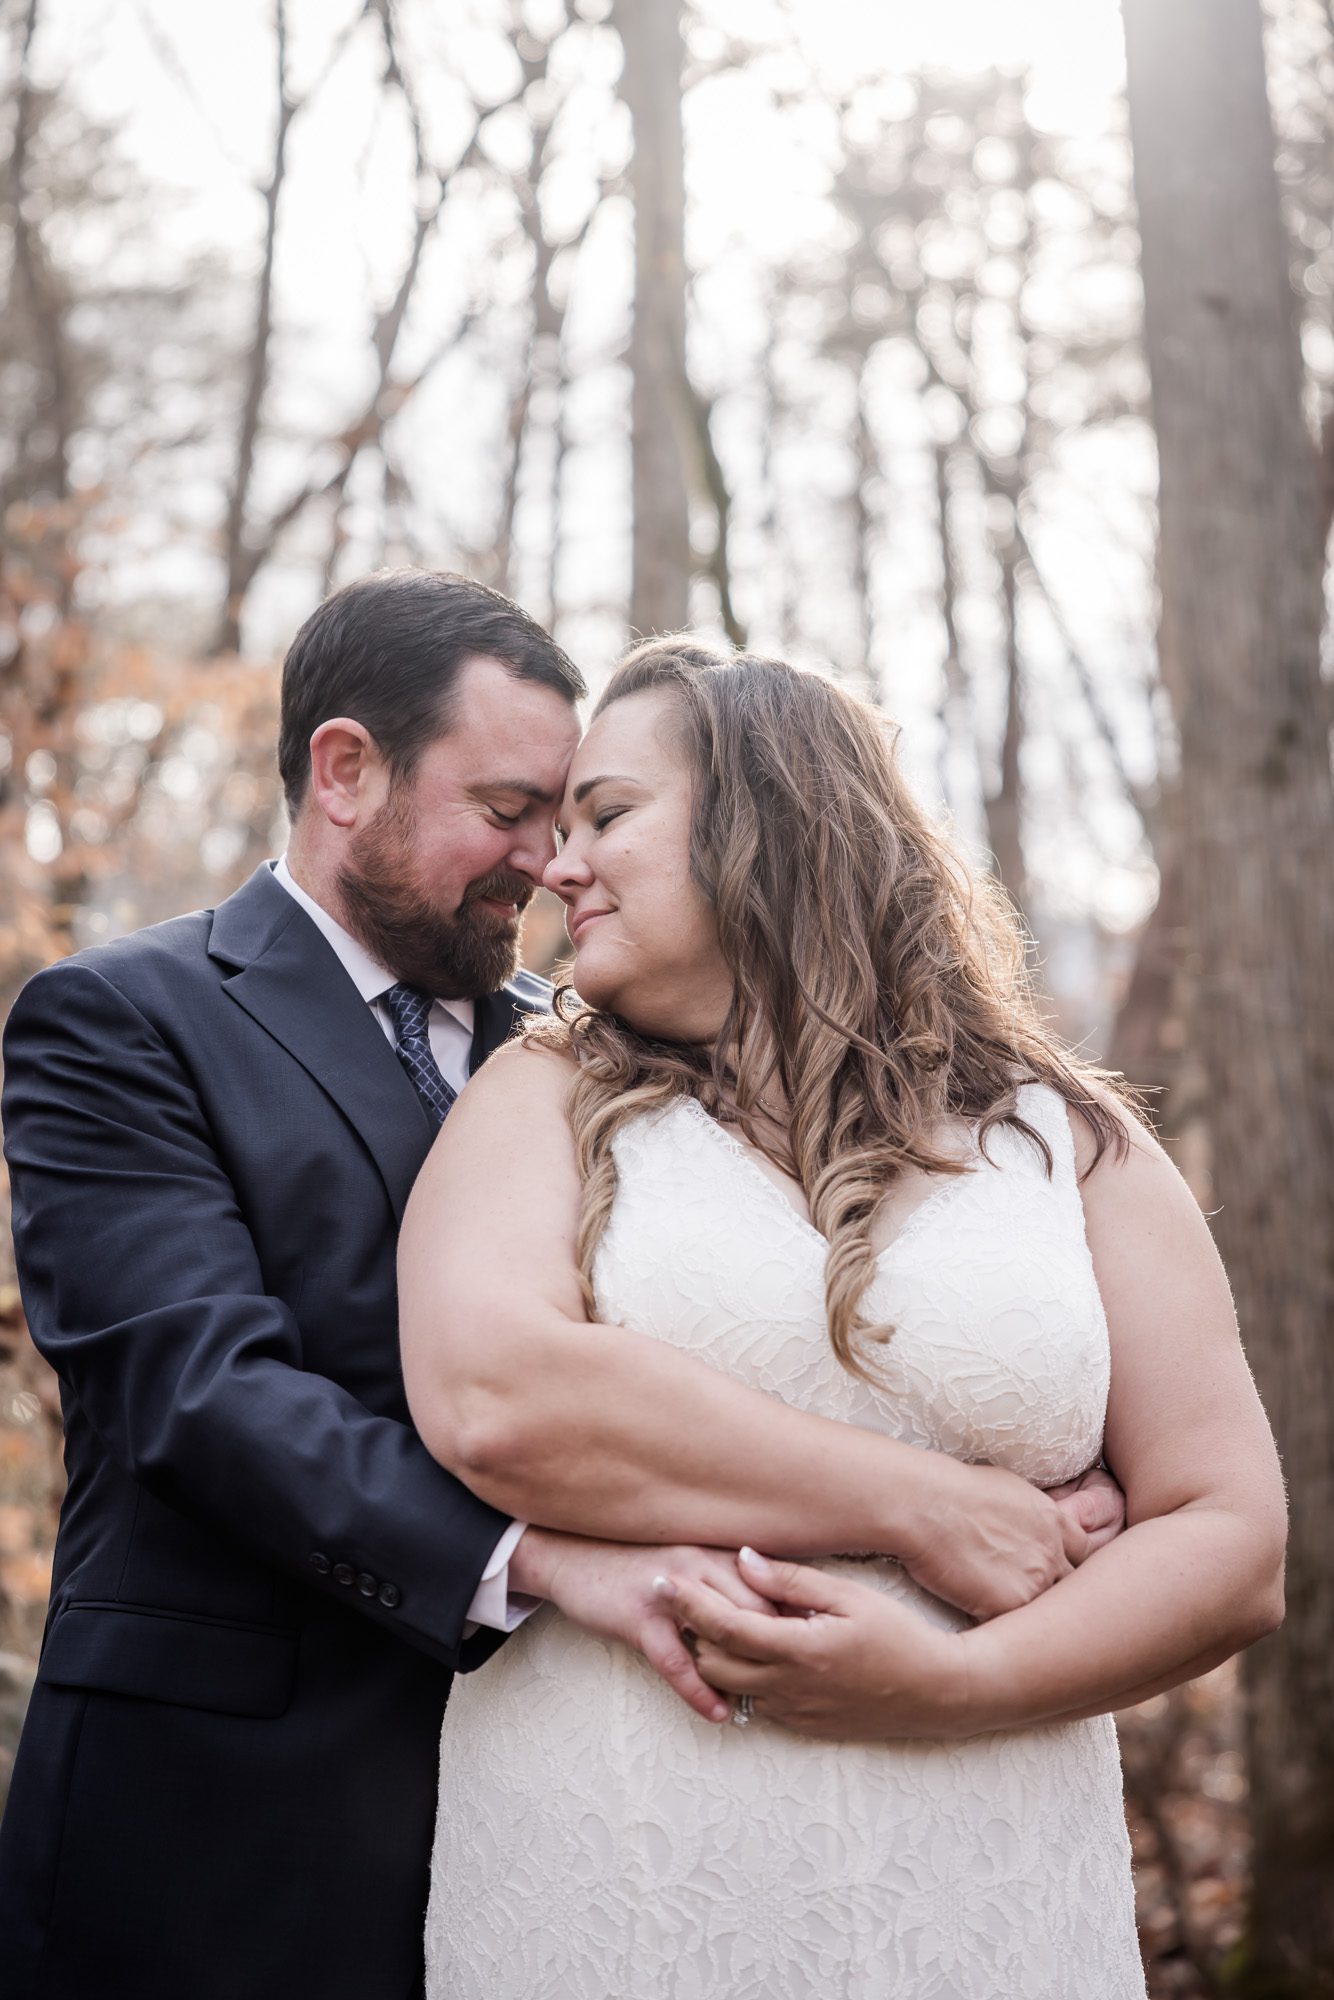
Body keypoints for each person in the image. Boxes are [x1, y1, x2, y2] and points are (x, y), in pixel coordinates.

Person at [0, 574, 1117, 2000]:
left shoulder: (603, 1050)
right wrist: (539, 1561)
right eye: (513, 808)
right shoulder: (125, 1019)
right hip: (223, 1811)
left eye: (583, 816)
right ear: (346, 772)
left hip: (562, 1813)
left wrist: (996, 1474)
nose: (548, 859)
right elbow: (198, 1394)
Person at [399, 639, 1287, 2000]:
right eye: (555, 828)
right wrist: (934, 1509)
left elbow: (1229, 1539)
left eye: (608, 817)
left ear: (775, 818)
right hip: (626, 1870)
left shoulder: (1070, 1140)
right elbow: (494, 1396)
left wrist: (948, 1686)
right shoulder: (539, 1095)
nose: (553, 867)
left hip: (991, 1871)